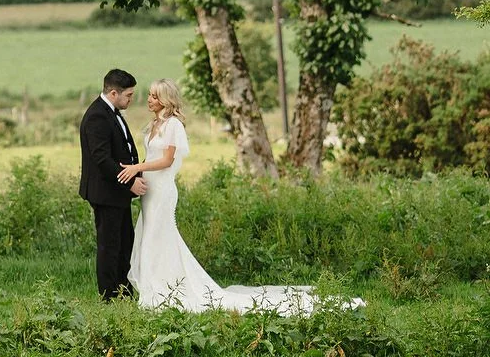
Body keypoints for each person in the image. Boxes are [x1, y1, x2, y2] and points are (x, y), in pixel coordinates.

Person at [128, 79, 356, 314]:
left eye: (154, 96)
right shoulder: (154, 124)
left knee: (159, 234)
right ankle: (154, 283)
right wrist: (137, 173)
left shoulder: (173, 125)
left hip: (163, 190)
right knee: (151, 235)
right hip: (149, 189)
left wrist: (137, 168)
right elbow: (151, 156)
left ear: (166, 99)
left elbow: (167, 161)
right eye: (150, 95)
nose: (149, 100)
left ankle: (165, 287)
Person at [78, 68, 145, 301]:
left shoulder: (111, 112)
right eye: (129, 95)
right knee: (109, 246)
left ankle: (124, 292)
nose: (131, 99)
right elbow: (102, 159)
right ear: (114, 93)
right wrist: (130, 182)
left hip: (116, 192)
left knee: (124, 243)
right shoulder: (97, 116)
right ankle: (108, 296)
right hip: (105, 192)